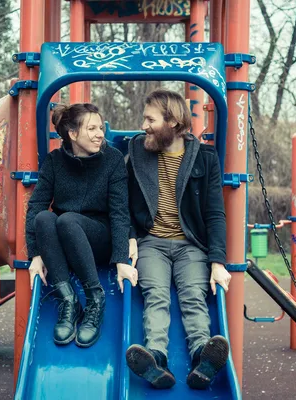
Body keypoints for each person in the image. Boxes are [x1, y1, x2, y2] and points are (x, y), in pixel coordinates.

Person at [125, 89, 231, 389]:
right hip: (152, 242)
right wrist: (131, 238)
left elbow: (214, 213)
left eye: (150, 119)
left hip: (190, 245)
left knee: (194, 296)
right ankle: (155, 357)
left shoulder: (204, 158)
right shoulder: (138, 153)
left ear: (172, 122)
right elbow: (121, 204)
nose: (144, 125)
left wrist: (218, 261)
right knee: (155, 296)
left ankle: (203, 357)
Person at [25, 103, 138, 348]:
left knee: (66, 219)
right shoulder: (55, 161)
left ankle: (95, 300)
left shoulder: (113, 159)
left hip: (99, 236)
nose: (100, 134)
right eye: (92, 129)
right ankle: (68, 301)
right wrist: (35, 254)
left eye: (100, 127)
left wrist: (121, 259)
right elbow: (36, 206)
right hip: (65, 239)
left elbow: (120, 211)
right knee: (44, 218)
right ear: (72, 134)